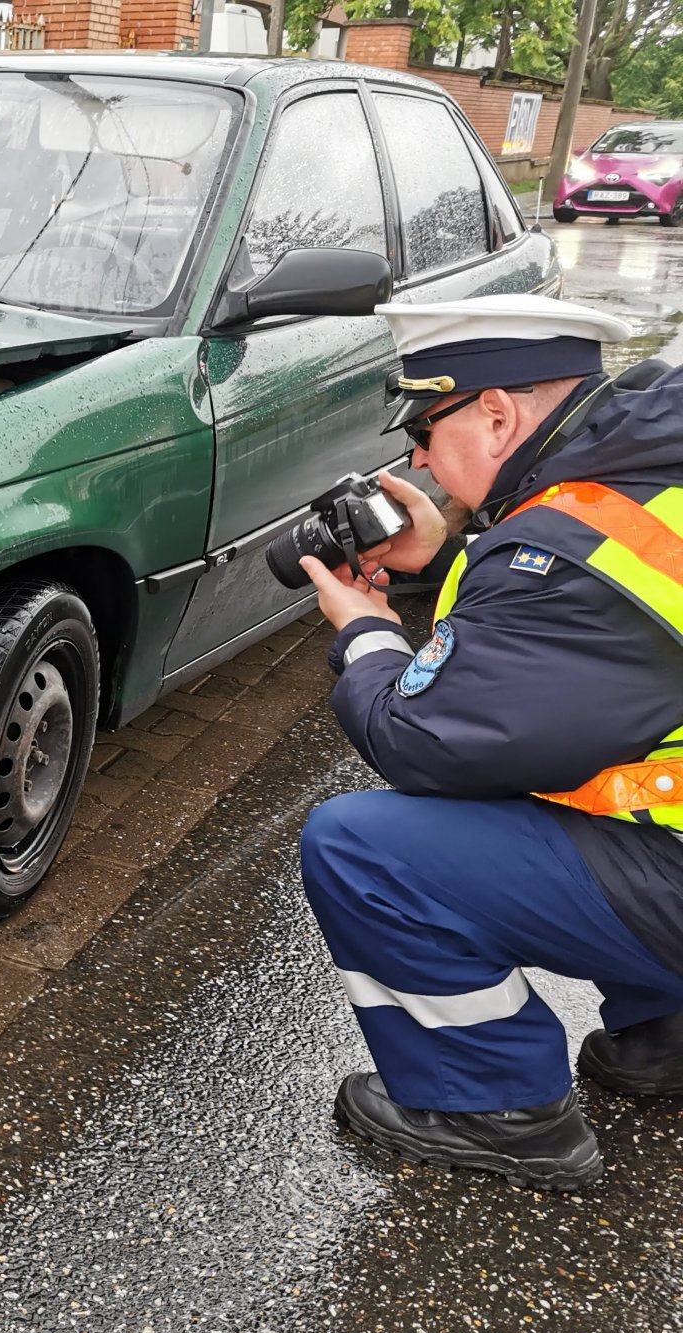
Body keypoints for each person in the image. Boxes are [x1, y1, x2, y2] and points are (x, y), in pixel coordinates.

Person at [296, 293, 683, 1193]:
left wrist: (366, 634)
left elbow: (430, 742)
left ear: (498, 412)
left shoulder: (569, 555)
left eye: (425, 431)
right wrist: (454, 551)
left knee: (366, 846)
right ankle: (668, 1037)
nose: (420, 459)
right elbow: (586, 646)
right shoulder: (645, 471)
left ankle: (494, 1107)